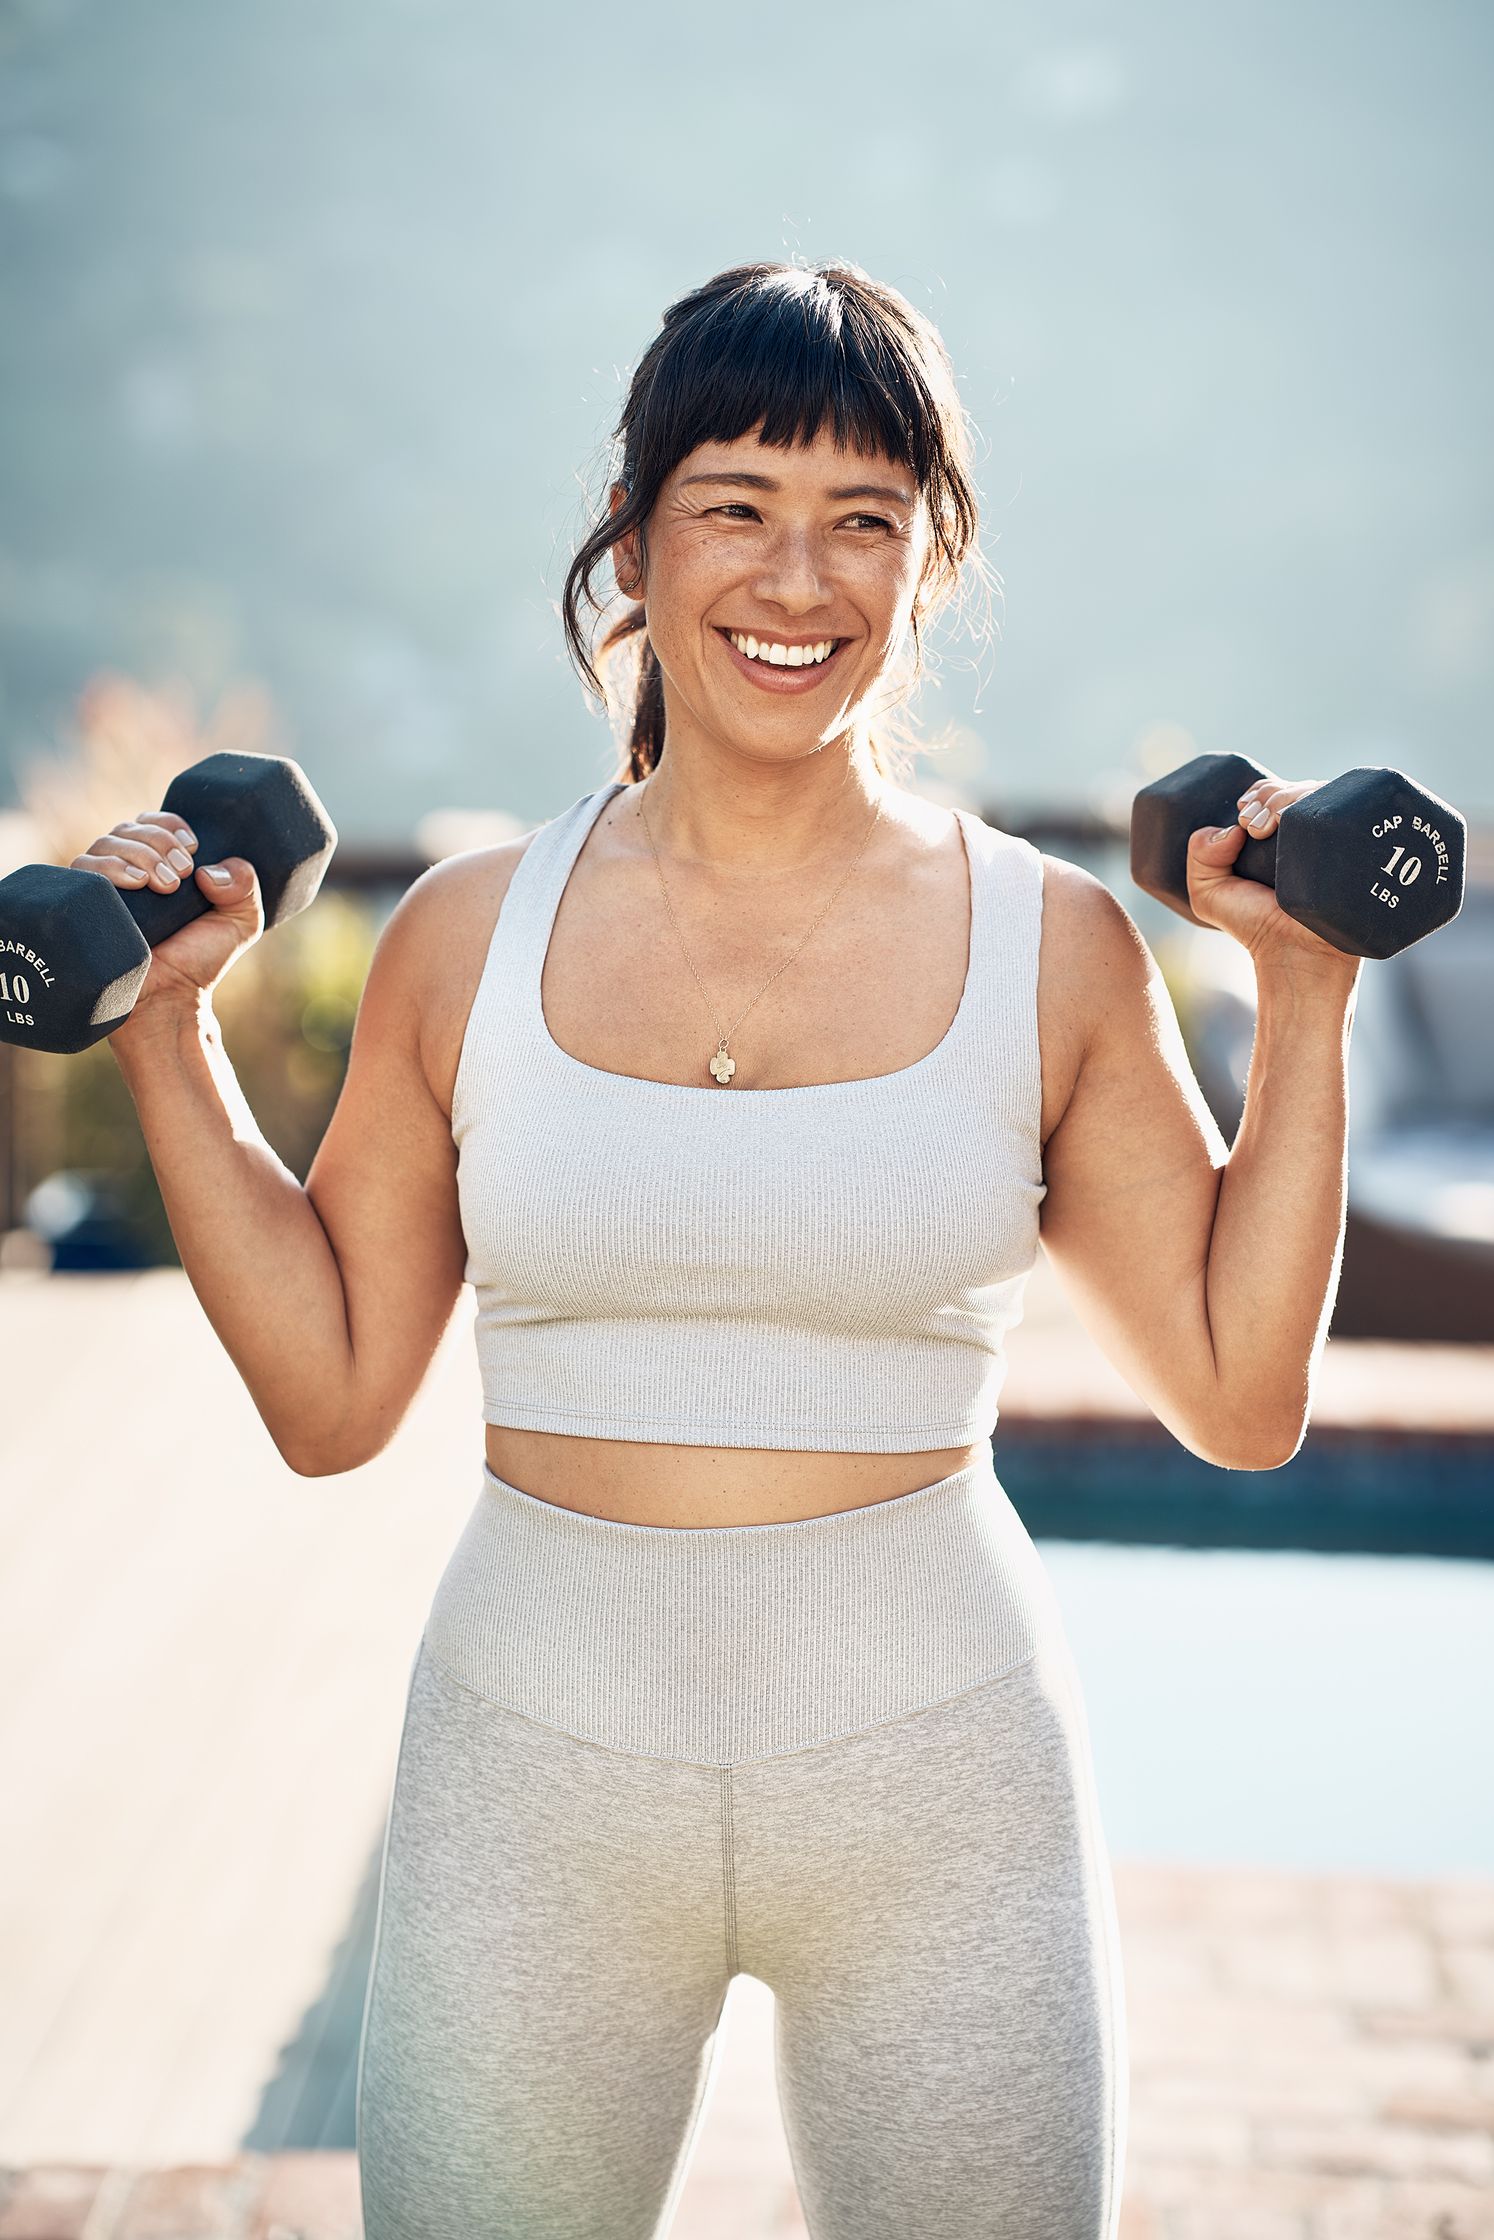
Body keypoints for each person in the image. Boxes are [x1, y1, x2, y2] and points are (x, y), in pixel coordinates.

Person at [92, 259, 1362, 2240]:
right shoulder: (466, 937)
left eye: (866, 518)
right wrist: (167, 1034)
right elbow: (335, 1400)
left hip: (939, 1769)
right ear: (636, 540)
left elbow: (1241, 1395)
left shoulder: (1057, 948)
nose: (800, 579)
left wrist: (1304, 1001)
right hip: (534, 1759)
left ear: (930, 564)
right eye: (739, 507)